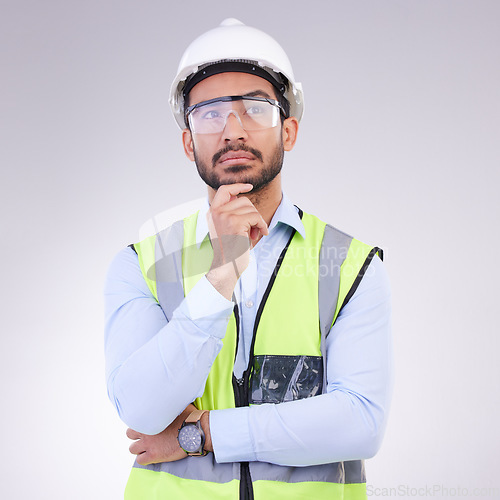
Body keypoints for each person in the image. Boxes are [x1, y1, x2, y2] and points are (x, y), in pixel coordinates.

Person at [104, 18, 392, 500]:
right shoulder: (142, 264)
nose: (233, 130)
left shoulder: (351, 265)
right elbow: (141, 408)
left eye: (255, 109)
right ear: (188, 141)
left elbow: (361, 421)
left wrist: (204, 434)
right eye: (211, 114)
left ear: (290, 130)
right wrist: (221, 273)